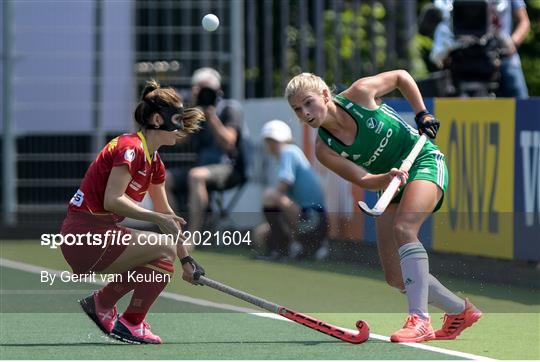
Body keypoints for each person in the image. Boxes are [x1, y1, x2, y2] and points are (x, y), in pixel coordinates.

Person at [285, 71, 482, 343]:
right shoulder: (324, 149)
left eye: (308, 103)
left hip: (423, 161)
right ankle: (461, 311)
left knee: (404, 228)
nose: (305, 113)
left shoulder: (360, 92)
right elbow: (363, 178)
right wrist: (386, 177)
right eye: (297, 109)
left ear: (326, 95)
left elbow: (401, 77)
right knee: (395, 276)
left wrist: (421, 113)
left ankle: (419, 320)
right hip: (390, 183)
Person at [60, 80, 206, 344]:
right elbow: (113, 200)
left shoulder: (154, 162)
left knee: (164, 258)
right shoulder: (131, 148)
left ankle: (104, 304)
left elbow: (167, 216)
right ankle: (129, 323)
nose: (181, 128)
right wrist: (156, 218)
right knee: (164, 248)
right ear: (158, 119)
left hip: (101, 237)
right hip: (84, 235)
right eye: (177, 119)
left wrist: (186, 261)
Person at [167, 68, 246, 240]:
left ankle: (193, 236)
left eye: (205, 89)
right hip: (201, 166)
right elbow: (177, 141)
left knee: (196, 176)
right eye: (198, 88)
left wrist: (211, 117)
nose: (203, 93)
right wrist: (193, 115)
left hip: (228, 168)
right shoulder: (194, 112)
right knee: (162, 179)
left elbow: (229, 143)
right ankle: (174, 233)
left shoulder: (230, 109)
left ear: (217, 91)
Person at [254, 120, 328, 260]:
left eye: (274, 141)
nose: (271, 145)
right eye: (268, 141)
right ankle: (294, 247)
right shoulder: (290, 154)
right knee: (262, 231)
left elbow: (285, 183)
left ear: (285, 141)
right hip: (314, 220)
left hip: (313, 219)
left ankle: (281, 248)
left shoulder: (288, 152)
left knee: (270, 196)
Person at [430, 0, 530, 98]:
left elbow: (524, 21)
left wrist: (512, 44)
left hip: (503, 58)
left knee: (522, 103)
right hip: (461, 56)